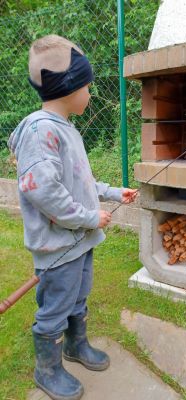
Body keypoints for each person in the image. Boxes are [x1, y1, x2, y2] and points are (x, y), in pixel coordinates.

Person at [8, 34, 137, 400]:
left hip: (79, 242)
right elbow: (42, 190)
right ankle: (46, 369)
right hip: (59, 245)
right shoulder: (41, 130)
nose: (91, 94)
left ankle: (75, 345)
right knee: (56, 306)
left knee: (78, 297)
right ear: (68, 87)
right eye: (88, 87)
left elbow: (79, 180)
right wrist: (88, 217)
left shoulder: (66, 129)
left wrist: (112, 193)